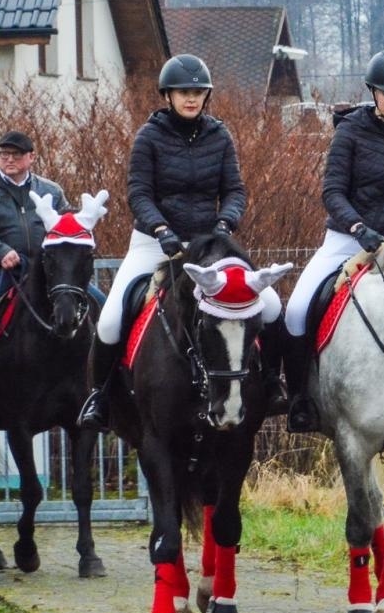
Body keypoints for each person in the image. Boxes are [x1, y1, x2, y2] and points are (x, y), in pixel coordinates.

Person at [79, 53, 281, 431]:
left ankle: (272, 384)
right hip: (154, 244)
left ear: (206, 97)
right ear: (167, 96)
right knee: (109, 321)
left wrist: (225, 223)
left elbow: (234, 190)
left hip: (209, 247)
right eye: (183, 92)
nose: (191, 99)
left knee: (270, 306)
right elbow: (139, 193)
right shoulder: (149, 137)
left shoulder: (220, 135)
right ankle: (100, 398)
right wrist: (161, 230)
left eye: (198, 93)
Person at [278, 49, 384, 433]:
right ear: (373, 92)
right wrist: (356, 227)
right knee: (296, 311)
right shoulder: (349, 132)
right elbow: (332, 192)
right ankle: (300, 398)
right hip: (346, 241)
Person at [0, 129, 70, 409]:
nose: (9, 160)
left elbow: (66, 223)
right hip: (1, 269)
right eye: (3, 154)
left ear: (31, 157)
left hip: (47, 270)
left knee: (97, 303)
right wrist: (0, 251)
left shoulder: (51, 190)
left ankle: (100, 382)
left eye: (16, 155)